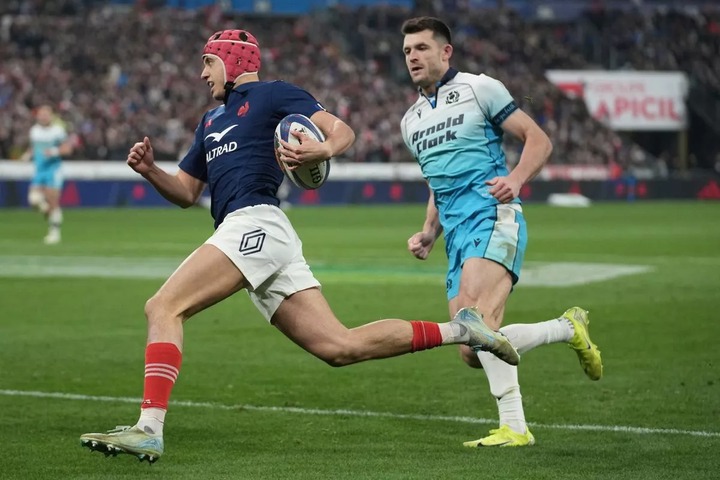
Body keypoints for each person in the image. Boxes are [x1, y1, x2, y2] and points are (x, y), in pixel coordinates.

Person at [79, 28, 520, 464]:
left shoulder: (274, 95)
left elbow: (342, 131)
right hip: (255, 235)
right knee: (339, 347)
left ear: (234, 61)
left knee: (162, 307)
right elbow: (186, 192)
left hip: (256, 224)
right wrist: (151, 171)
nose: (201, 74)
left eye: (207, 62)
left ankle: (149, 429)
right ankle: (463, 331)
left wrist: (322, 150)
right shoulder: (209, 123)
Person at [399, 17, 603, 448]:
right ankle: (567, 328)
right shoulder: (410, 121)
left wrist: (517, 178)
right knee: (470, 349)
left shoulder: (481, 88)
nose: (413, 57)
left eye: (420, 48)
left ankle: (515, 427)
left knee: (477, 321)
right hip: (456, 235)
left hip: (493, 215)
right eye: (406, 51)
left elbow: (538, 140)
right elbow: (437, 182)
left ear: (445, 51)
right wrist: (429, 231)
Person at [20, 105, 73, 244]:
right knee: (34, 200)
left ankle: (55, 232)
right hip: (39, 170)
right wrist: (27, 155)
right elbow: (33, 147)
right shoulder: (34, 131)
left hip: (53, 170)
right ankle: (51, 215)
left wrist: (54, 151)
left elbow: (67, 148)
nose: (43, 116)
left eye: (46, 114)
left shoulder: (57, 131)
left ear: (51, 116)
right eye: (41, 114)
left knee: (53, 201)